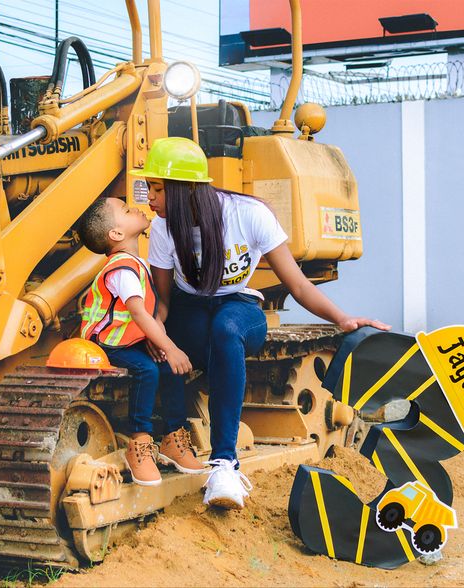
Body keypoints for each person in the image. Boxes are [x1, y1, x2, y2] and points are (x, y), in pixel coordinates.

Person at [130, 137, 390, 509]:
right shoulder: (163, 229)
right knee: (164, 339)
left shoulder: (247, 214)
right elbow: (166, 301)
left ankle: (224, 466)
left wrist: (342, 318)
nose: (149, 199)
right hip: (192, 312)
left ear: (183, 190)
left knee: (227, 328)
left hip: (238, 309)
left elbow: (297, 285)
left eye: (156, 189)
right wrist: (157, 335)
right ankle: (172, 435)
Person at [77, 196, 207, 487]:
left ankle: (174, 437)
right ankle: (139, 444)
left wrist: (159, 346)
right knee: (147, 370)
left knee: (166, 369)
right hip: (107, 343)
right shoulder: (122, 267)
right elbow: (137, 311)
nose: (134, 206)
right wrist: (170, 347)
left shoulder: (135, 263)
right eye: (125, 209)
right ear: (116, 234)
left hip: (127, 340)